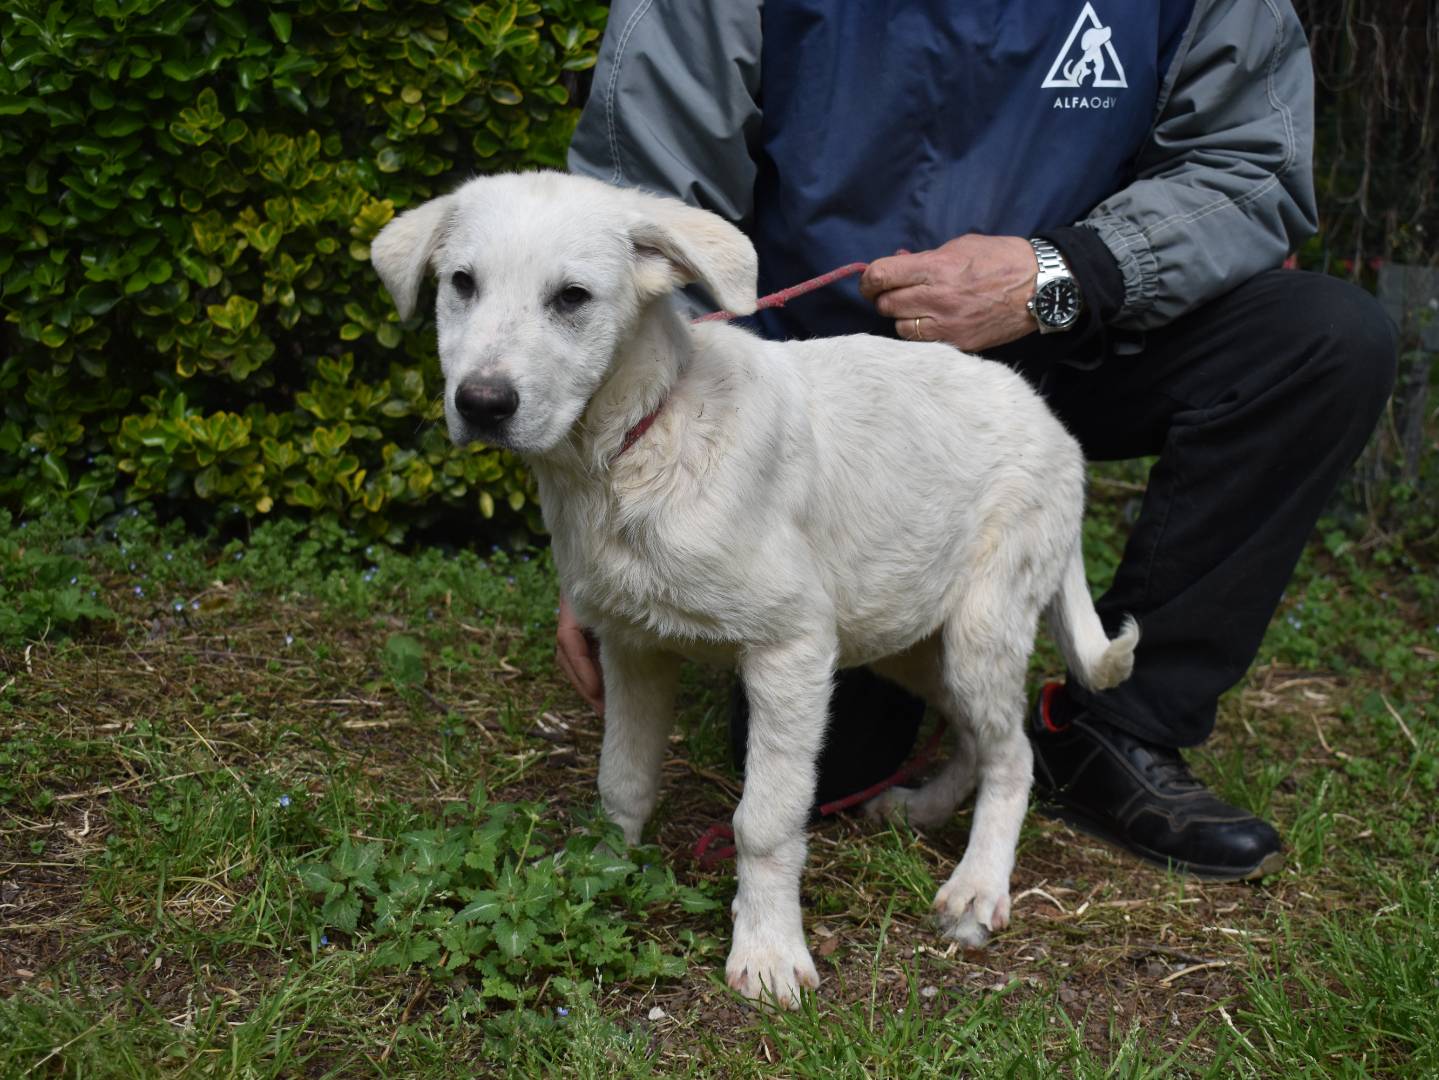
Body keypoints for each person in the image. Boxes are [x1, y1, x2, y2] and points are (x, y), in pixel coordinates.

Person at [554, 0, 1398, 880]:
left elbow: (1247, 164)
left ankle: (1121, 725)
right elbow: (633, 215)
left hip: (1074, 325)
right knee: (836, 757)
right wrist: (615, 512)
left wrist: (1062, 273)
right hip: (818, 397)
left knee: (1325, 341)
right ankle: (922, 669)